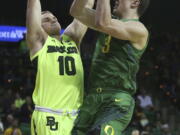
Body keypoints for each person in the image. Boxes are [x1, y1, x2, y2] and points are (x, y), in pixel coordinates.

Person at [70, 0, 150, 134]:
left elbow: (103, 23)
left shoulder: (139, 29)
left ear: (135, 2)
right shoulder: (108, 21)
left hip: (116, 99)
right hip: (92, 97)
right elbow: (76, 11)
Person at [26, 0, 94, 135]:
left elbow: (85, 8)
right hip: (49, 116)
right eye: (46, 19)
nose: (52, 19)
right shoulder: (40, 42)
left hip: (76, 118)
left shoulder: (72, 39)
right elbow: (32, 7)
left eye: (54, 17)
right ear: (38, 26)